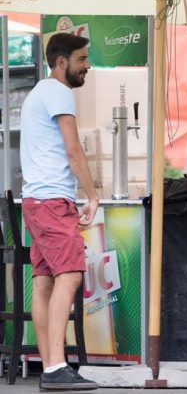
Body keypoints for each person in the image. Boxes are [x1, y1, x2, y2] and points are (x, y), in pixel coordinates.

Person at [20, 33, 98, 391]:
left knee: (44, 281)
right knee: (70, 276)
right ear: (61, 62)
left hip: (36, 201)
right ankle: (55, 367)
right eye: (82, 59)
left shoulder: (38, 92)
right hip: (52, 201)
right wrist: (93, 195)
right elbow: (73, 148)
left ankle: (50, 365)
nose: (87, 66)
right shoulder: (59, 92)